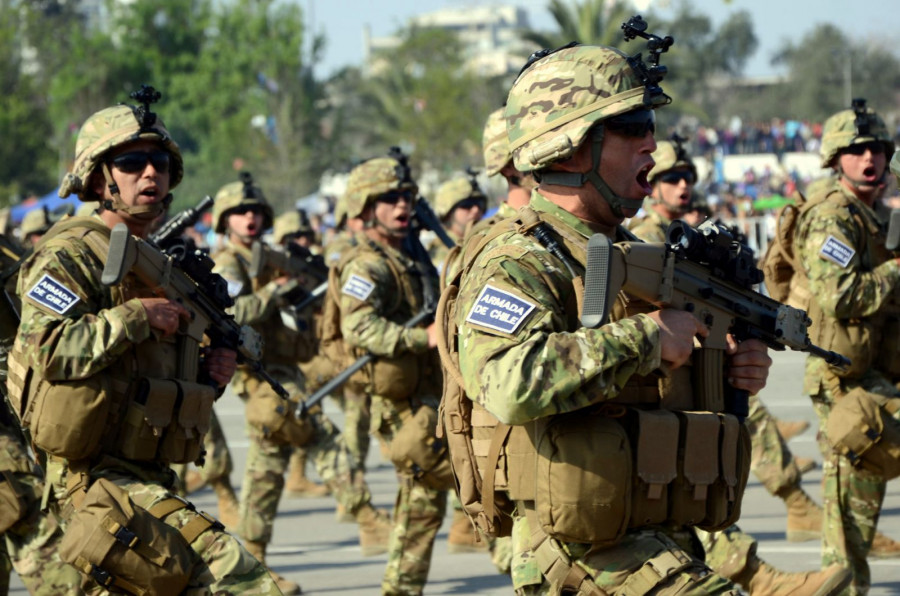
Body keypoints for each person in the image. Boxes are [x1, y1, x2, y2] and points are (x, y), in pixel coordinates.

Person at [448, 41, 851, 594]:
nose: (652, 145)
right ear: (570, 146)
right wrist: (648, 338)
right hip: (579, 551)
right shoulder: (519, 257)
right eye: (632, 126)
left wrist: (726, 371)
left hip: (651, 532)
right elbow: (508, 381)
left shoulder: (626, 252)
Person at [6, 87, 280, 594]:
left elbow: (145, 378)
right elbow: (47, 349)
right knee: (240, 580)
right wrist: (136, 316)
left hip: (146, 475)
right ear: (96, 176)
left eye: (160, 162)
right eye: (131, 162)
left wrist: (209, 375)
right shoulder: (69, 254)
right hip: (94, 484)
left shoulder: (154, 261)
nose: (150, 173)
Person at [210, 173, 390, 595]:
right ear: (224, 222)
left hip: (281, 374)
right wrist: (274, 292)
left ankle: (251, 570)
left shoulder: (264, 256)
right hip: (257, 381)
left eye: (255, 211)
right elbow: (231, 312)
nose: (249, 218)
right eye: (239, 212)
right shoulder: (229, 263)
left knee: (266, 472)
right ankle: (366, 517)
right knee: (320, 437)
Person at [789, 98, 900, 594]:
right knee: (848, 519)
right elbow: (839, 295)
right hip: (842, 380)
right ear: (836, 159)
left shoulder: (873, 213)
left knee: (859, 507)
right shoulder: (834, 217)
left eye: (877, 148)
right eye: (856, 150)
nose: (869, 158)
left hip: (870, 376)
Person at [332, 154, 448, 595]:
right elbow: (358, 326)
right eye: (388, 199)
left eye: (405, 197)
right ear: (365, 207)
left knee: (422, 509)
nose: (401, 206)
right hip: (400, 408)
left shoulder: (413, 254)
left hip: (430, 397)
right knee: (481, 486)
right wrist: (423, 339)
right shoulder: (366, 264)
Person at [429, 173, 487, 272]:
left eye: (480, 204)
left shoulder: (485, 241)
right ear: (448, 213)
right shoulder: (438, 251)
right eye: (467, 205)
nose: (476, 210)